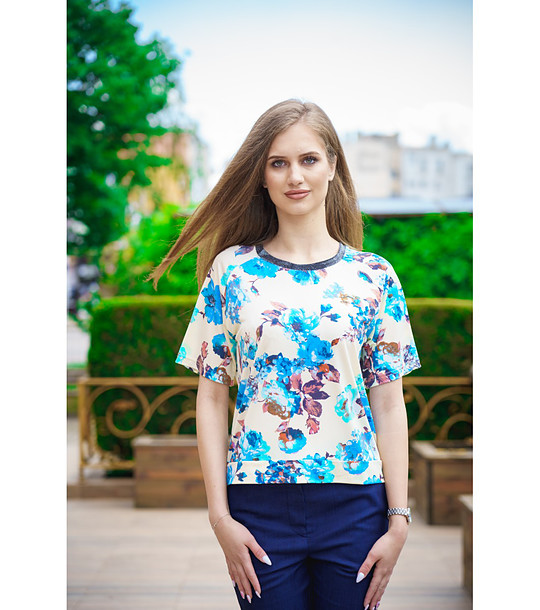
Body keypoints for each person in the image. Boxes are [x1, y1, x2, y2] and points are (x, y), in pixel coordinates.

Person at [149, 99, 421, 610]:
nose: (295, 176)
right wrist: (220, 517)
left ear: (333, 166)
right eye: (278, 163)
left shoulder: (374, 276)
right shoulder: (231, 271)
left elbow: (389, 404)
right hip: (257, 506)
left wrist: (399, 520)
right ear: (262, 176)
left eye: (308, 159)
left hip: (356, 504)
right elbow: (211, 398)